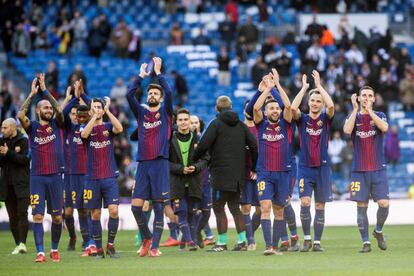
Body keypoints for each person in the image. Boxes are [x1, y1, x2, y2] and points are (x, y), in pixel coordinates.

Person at [192, 95, 258, 252]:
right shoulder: (242, 126)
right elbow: (254, 146)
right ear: (231, 107)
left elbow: (203, 145)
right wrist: (253, 167)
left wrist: (194, 158)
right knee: (235, 208)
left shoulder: (215, 124)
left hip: (220, 175)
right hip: (238, 176)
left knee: (219, 207)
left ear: (217, 108)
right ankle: (241, 241)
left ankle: (221, 243)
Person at [127, 57, 173, 258]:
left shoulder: (166, 113)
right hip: (143, 164)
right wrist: (141, 77)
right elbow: (129, 95)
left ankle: (154, 246)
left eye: (156, 93)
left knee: (159, 206)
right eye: (150, 93)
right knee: (136, 207)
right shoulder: (141, 113)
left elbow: (170, 92)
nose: (152, 95)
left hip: (160, 163)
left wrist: (159, 73)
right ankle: (147, 237)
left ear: (160, 98)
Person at [17, 74, 65, 263]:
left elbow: (60, 110)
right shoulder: (32, 127)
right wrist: (32, 94)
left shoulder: (57, 123)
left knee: (57, 218)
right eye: (44, 107)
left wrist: (45, 90)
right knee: (37, 216)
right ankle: (40, 252)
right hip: (36, 177)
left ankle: (54, 249)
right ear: (38, 111)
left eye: (49, 107)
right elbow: (21, 115)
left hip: (55, 176)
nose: (49, 110)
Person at [291, 70, 335, 252]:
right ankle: (307, 238)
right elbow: (292, 109)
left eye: (318, 101)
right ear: (308, 103)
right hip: (305, 168)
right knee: (305, 202)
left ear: (321, 103)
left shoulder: (325, 118)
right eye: (313, 100)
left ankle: (317, 242)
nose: (316, 103)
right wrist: (304, 88)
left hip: (323, 168)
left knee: (319, 204)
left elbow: (331, 106)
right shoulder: (303, 119)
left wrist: (319, 87)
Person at [343, 87, 389, 253]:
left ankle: (378, 231)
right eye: (364, 95)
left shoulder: (380, 115)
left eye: (370, 96)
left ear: (374, 99)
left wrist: (370, 112)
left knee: (384, 204)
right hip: (359, 170)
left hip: (378, 169)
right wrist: (355, 110)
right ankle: (366, 242)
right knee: (361, 207)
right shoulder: (353, 116)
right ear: (359, 98)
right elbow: (347, 131)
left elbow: (384, 128)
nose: (366, 98)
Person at [253, 71, 293, 256]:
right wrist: (267, 89)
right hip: (265, 173)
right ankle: (268, 246)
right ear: (266, 112)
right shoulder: (261, 124)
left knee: (279, 211)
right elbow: (255, 108)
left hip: (283, 173)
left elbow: (289, 105)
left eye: (277, 108)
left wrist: (277, 85)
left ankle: (275, 247)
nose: (275, 111)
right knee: (265, 207)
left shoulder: (286, 123)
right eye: (271, 109)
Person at [81, 96, 123, 258]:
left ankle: (110, 245)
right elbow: (84, 135)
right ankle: (98, 249)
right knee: (95, 214)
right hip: (92, 178)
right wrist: (94, 117)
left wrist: (107, 112)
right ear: (90, 109)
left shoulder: (107, 126)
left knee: (113, 211)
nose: (98, 109)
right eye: (95, 107)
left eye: (100, 106)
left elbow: (119, 129)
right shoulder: (85, 128)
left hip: (109, 177)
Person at [62, 80, 97, 256]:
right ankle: (86, 241)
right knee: (79, 209)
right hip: (73, 175)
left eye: (81, 115)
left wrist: (81, 95)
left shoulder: (92, 128)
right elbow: (62, 114)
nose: (78, 117)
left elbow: (95, 107)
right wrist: (73, 100)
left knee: (90, 208)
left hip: (90, 174)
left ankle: (91, 241)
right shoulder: (70, 128)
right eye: (75, 114)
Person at [170, 108, 208, 251]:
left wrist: (196, 167)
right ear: (176, 122)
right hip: (177, 181)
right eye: (181, 120)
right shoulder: (171, 138)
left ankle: (184, 242)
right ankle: (191, 242)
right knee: (182, 212)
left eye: (186, 119)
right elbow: (166, 162)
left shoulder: (197, 138)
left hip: (193, 181)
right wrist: (180, 169)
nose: (184, 122)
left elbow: (205, 159)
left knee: (192, 213)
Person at [0, 118, 30, 255]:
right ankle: (18, 243)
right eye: (2, 128)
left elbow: (25, 160)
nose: (2, 130)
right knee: (12, 216)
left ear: (13, 127)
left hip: (22, 184)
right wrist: (6, 155)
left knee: (22, 213)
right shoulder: (1, 142)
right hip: (7, 185)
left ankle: (23, 243)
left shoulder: (23, 140)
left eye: (5, 128)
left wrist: (9, 153)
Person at [190, 115, 215, 246]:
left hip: (205, 180)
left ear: (199, 124)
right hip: (190, 181)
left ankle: (198, 232)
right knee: (192, 211)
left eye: (196, 122)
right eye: (191, 122)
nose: (194, 125)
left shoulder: (206, 140)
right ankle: (193, 238)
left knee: (206, 212)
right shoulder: (184, 140)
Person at [240, 100, 259, 251]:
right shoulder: (239, 128)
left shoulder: (262, 127)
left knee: (261, 210)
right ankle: (250, 240)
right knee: (245, 207)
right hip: (243, 173)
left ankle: (248, 234)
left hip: (261, 173)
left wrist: (258, 170)